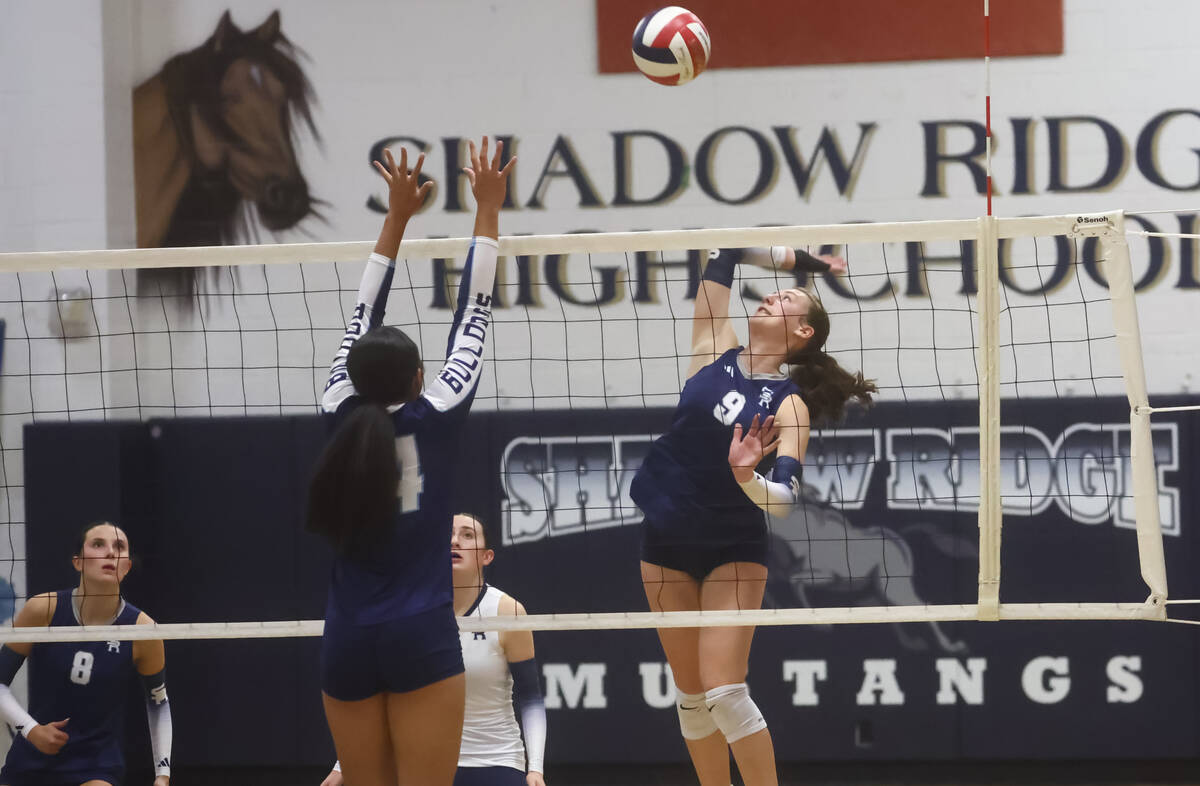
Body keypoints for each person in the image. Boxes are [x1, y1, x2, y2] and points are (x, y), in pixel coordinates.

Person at [307, 138, 513, 786]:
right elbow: (474, 309)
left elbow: (360, 314)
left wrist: (395, 216)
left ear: (358, 373)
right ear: (420, 377)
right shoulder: (440, 408)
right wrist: (488, 208)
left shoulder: (337, 401)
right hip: (421, 634)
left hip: (346, 638)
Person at [630, 246, 874, 786]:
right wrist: (800, 263)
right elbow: (728, 252)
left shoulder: (790, 405)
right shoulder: (712, 347)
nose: (770, 297)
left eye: (785, 300)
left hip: (731, 547)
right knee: (692, 698)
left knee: (723, 691)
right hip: (665, 536)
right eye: (772, 292)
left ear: (804, 334)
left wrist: (746, 476)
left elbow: (784, 499)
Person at [320, 514, 547, 786]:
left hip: (495, 759)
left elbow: (531, 697)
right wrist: (342, 764)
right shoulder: (406, 610)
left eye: (467, 535)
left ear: (486, 556)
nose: (454, 541)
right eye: (448, 534)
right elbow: (379, 696)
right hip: (423, 761)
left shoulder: (507, 611)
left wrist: (535, 770)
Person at [0, 522, 172, 786]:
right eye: (98, 544)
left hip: (95, 763)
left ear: (125, 567)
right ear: (78, 562)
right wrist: (30, 729)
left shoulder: (144, 630)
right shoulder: (43, 609)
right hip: (32, 756)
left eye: (119, 547)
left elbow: (158, 702)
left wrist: (162, 774)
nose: (110, 552)